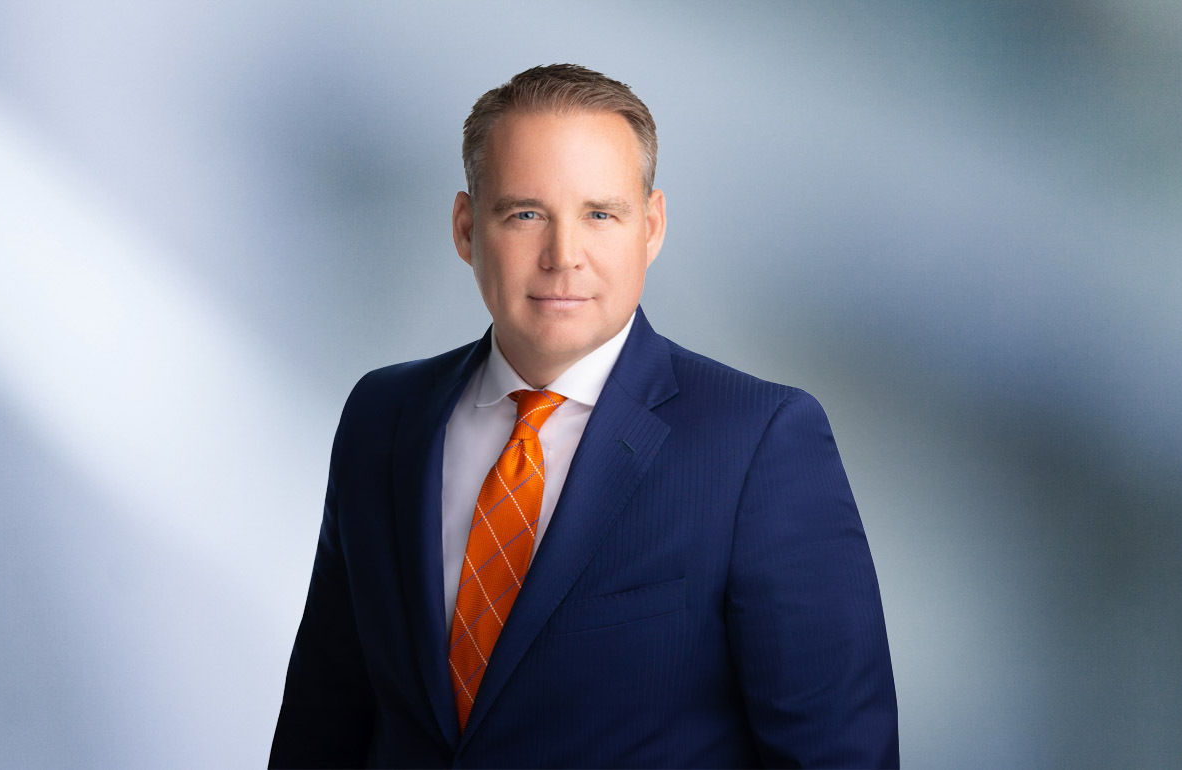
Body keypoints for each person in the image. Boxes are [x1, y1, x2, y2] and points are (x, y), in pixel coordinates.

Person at [269, 64, 898, 768]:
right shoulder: (382, 420)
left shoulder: (758, 443)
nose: (563, 257)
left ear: (651, 227)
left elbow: (838, 756)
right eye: (526, 213)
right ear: (466, 227)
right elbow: (323, 723)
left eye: (600, 214)